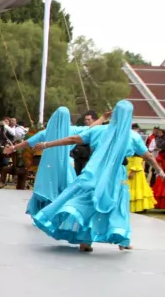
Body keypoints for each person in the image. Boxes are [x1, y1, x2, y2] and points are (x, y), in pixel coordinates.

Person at [32, 101, 164, 252]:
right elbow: (148, 156)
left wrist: (47, 144)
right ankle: (122, 238)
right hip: (115, 178)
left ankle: (86, 240)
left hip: (95, 172)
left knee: (90, 203)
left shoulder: (100, 130)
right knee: (117, 206)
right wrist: (159, 170)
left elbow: (73, 139)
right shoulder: (132, 136)